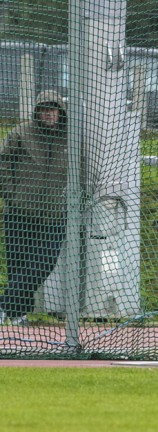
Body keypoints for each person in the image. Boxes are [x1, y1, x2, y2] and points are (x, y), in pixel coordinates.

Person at [0, 90, 70, 325]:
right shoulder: (21, 131)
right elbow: (3, 163)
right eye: (43, 109)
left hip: (54, 214)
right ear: (36, 111)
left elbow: (80, 171)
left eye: (53, 109)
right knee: (18, 264)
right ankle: (17, 314)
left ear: (60, 112)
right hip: (20, 211)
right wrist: (11, 196)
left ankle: (3, 305)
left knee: (43, 264)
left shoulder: (71, 137)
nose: (48, 114)